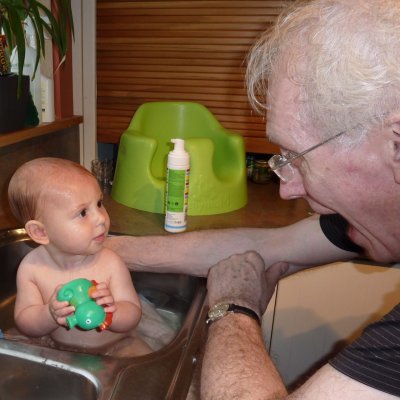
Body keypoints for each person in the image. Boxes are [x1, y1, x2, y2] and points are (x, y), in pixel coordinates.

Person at [105, 0, 400, 398]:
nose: (287, 189)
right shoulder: (370, 218)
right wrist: (108, 249)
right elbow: (268, 246)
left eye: (296, 157)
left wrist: (233, 308)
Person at [7, 157, 149, 356]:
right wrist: (49, 314)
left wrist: (111, 311)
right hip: (57, 349)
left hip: (115, 347)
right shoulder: (32, 269)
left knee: (144, 361)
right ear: (40, 233)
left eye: (99, 203)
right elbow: (25, 321)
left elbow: (133, 314)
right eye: (83, 212)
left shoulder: (110, 263)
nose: (101, 217)